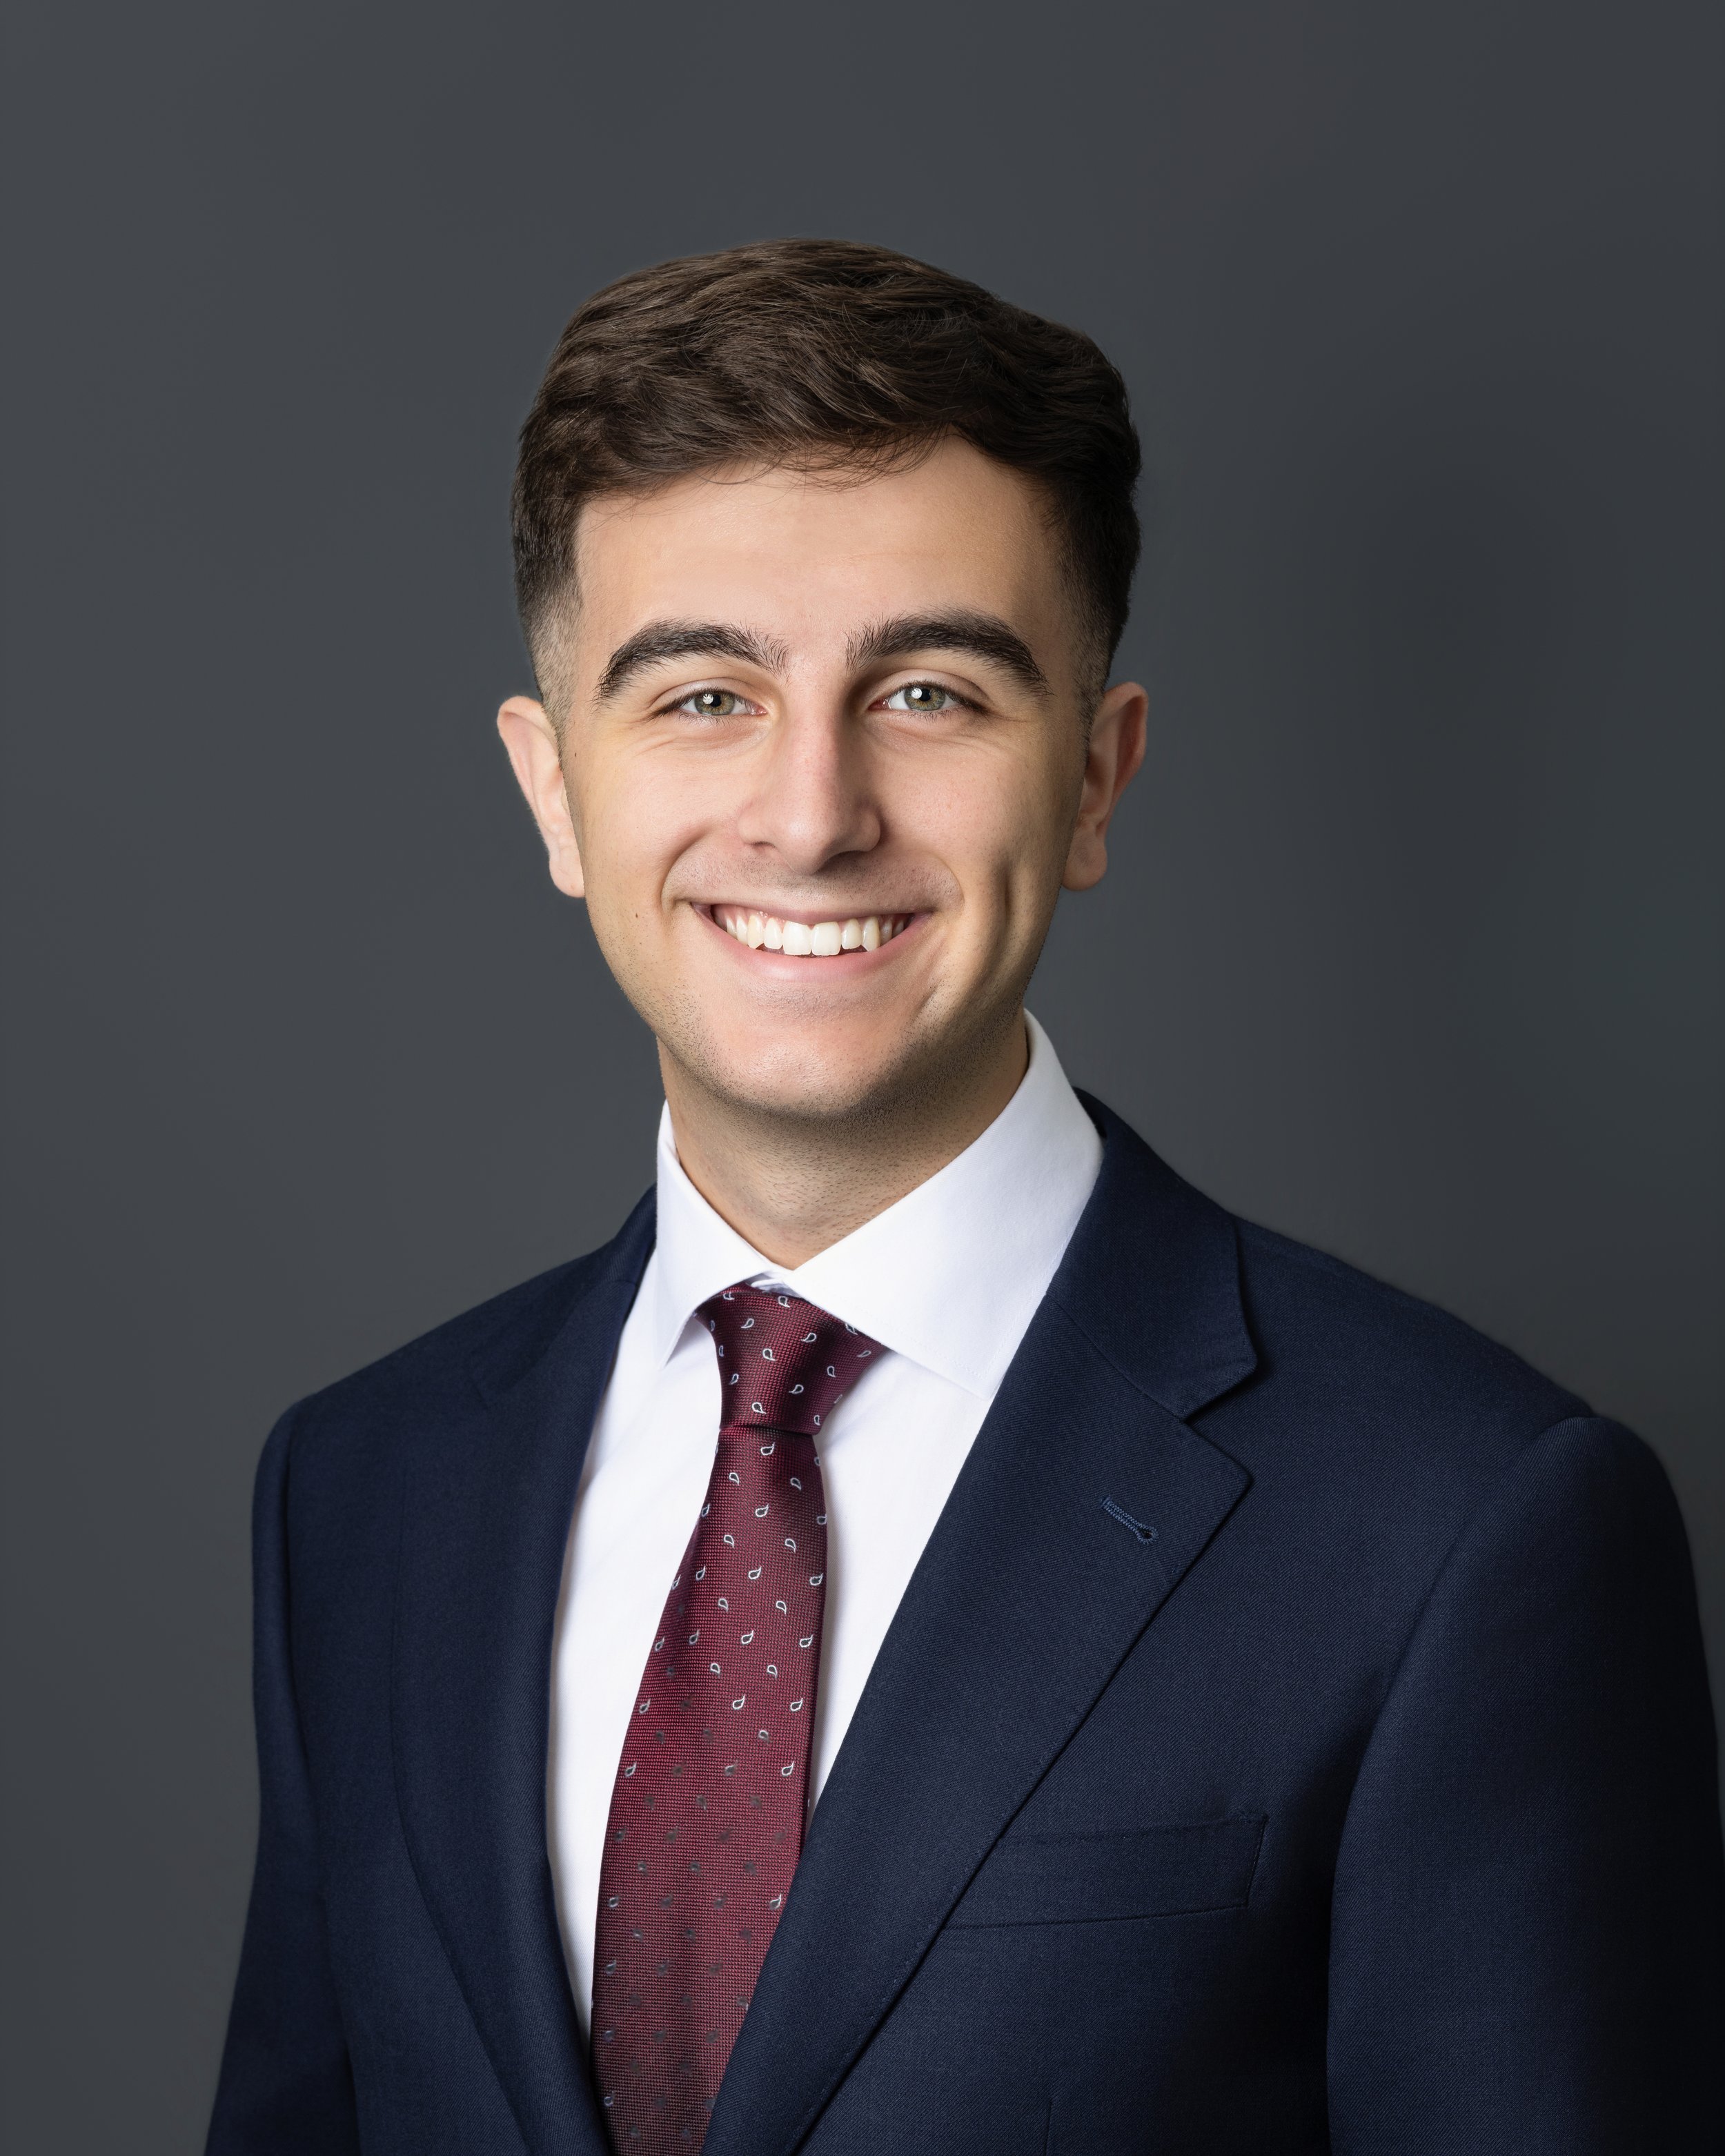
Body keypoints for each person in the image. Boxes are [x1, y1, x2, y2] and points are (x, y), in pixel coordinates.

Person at [205, 239, 1722, 2156]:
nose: (811, 809)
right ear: (552, 793)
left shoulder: (1463, 1526)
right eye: (699, 696)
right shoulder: (361, 1492)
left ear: (1093, 778)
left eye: (926, 691)